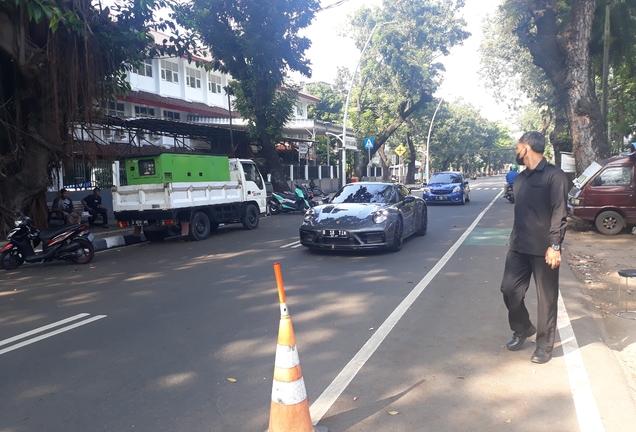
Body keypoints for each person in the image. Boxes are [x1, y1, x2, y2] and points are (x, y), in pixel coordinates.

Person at [500, 131, 568, 364]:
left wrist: (555, 245)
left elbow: (560, 213)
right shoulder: (520, 179)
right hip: (518, 247)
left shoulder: (554, 176)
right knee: (509, 290)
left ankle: (544, 346)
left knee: (546, 299)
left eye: (517, 147)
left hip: (545, 249)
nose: (516, 152)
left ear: (526, 148)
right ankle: (523, 328)